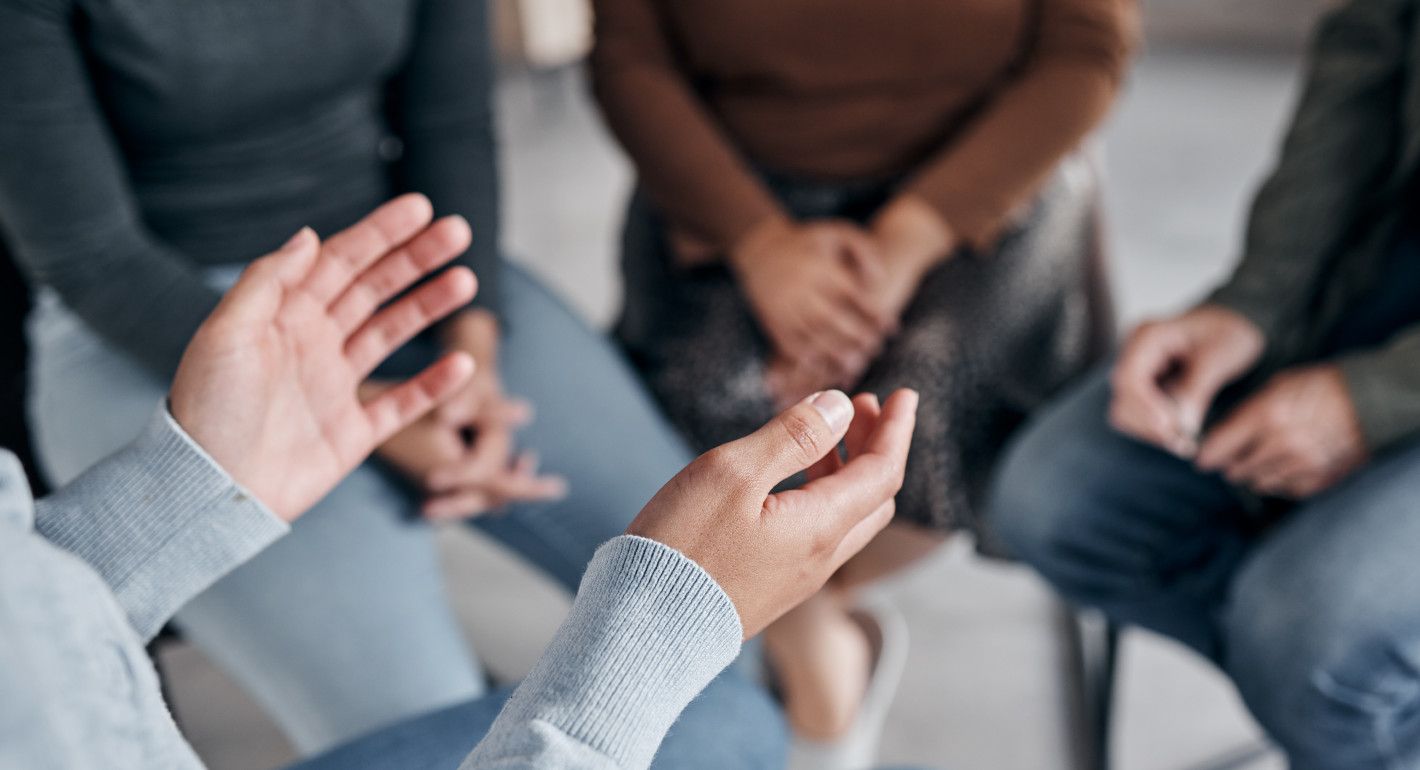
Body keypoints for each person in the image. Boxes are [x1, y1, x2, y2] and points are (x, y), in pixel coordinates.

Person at [0, 0, 706, 754]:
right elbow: (91, 258)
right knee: (433, 738)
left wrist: (471, 353)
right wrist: (387, 417)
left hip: (400, 265)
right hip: (149, 318)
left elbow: (450, 125)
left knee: (700, 581)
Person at [0, 196, 920, 769]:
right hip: (144, 333)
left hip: (385, 318)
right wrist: (654, 630)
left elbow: (26, 624)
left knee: (729, 714)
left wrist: (188, 487)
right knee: (722, 723)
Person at [589, 0, 1138, 750]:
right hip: (731, 187)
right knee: (707, 396)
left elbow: (1083, 55)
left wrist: (910, 238)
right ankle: (823, 677)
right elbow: (629, 62)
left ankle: (786, 633)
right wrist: (761, 245)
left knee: (922, 403)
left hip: (982, 180)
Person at [988, 0, 1420, 766]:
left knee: (1312, 638)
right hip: (1381, 273)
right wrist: (1254, 305)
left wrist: (1378, 397)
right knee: (1057, 499)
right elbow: (1361, 68)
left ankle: (1335, 699)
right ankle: (1337, 706)